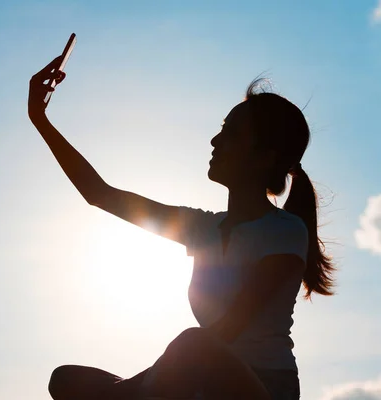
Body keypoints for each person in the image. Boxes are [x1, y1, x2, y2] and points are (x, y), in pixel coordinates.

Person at [28, 56, 335, 400]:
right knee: (66, 379)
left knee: (194, 343)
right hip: (196, 379)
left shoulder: (285, 231)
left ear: (265, 156)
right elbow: (99, 194)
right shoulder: (201, 226)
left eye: (231, 133)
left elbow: (227, 331)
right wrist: (39, 118)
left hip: (264, 388)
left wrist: (129, 388)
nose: (215, 141)